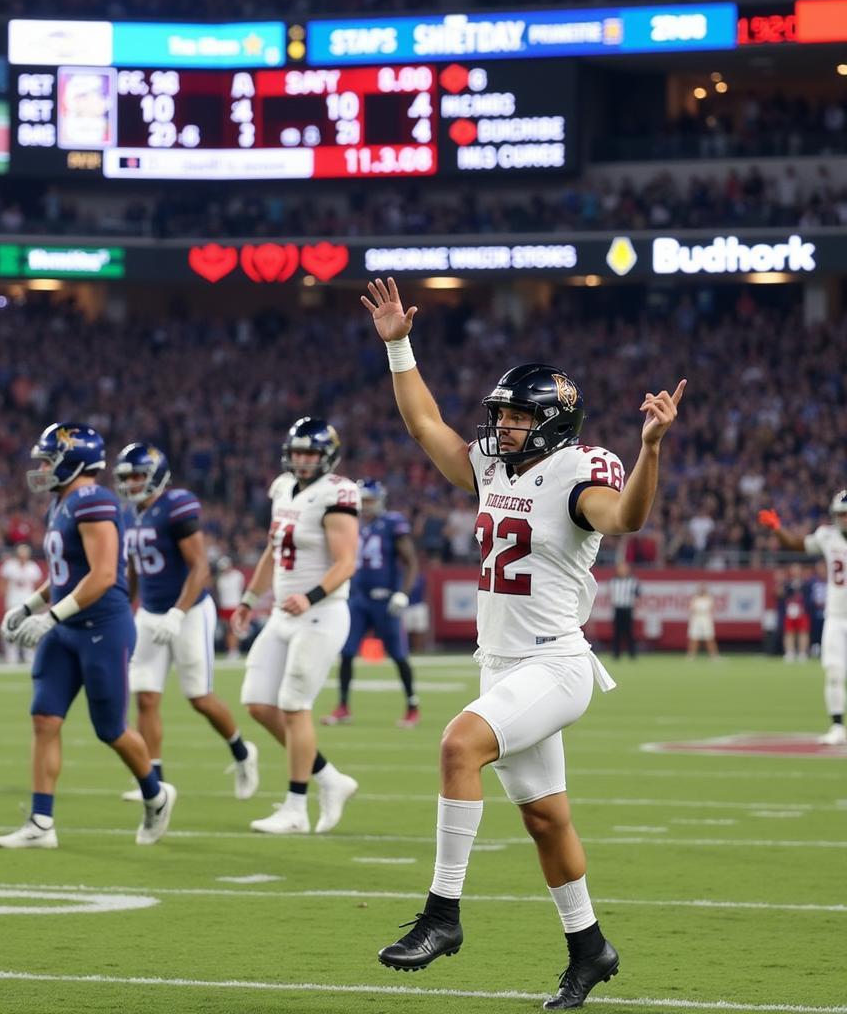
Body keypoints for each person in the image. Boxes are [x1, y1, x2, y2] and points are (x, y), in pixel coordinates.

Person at [362, 276, 686, 1009]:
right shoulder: (490, 465)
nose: (502, 427)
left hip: (555, 662)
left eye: (514, 416)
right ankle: (590, 948)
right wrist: (400, 345)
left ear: (550, 422)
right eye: (501, 415)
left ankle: (442, 916)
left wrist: (650, 451)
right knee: (545, 820)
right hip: (503, 664)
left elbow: (626, 518)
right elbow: (425, 425)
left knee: (457, 745)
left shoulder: (582, 471)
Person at [0, 423, 174, 849]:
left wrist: (50, 616)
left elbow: (105, 574)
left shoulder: (94, 500)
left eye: (47, 459)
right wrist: (27, 608)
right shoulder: (59, 504)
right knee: (44, 718)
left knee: (110, 729)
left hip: (101, 627)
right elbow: (62, 577)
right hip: (66, 625)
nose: (40, 467)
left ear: (72, 461)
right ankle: (41, 822)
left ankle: (155, 793)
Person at [231, 417, 361, 835]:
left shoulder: (337, 494)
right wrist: (251, 599)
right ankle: (329, 778)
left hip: (321, 615)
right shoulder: (282, 488)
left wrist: (311, 596)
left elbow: (346, 562)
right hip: (283, 614)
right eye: (298, 452)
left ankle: (295, 808)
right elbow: (273, 552)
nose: (303, 460)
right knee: (257, 701)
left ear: (327, 456)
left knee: (293, 705)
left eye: (311, 453)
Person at [113, 442, 258, 803]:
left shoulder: (176, 505)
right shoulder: (129, 514)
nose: (131, 483)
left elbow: (200, 567)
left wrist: (178, 613)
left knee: (199, 698)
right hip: (150, 612)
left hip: (190, 611)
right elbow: (133, 568)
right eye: (126, 476)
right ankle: (155, 781)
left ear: (157, 475)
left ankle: (242, 752)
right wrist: (123, 607)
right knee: (145, 696)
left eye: (137, 476)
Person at [324, 479, 421, 728]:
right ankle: (343, 706)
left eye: (369, 500)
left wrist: (403, 593)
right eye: (362, 500)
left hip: (384, 599)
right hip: (357, 598)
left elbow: (410, 560)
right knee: (346, 653)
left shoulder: (392, 523)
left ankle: (412, 706)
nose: (365, 505)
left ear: (380, 500)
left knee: (399, 655)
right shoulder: (351, 524)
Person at [758, 493, 847, 745]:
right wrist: (777, 529)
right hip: (837, 615)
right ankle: (838, 726)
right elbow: (798, 545)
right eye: (841, 514)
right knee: (834, 671)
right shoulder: (827, 536)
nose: (844, 519)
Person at [0, 543, 44, 664]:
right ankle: (11, 657)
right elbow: (2, 584)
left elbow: (39, 587)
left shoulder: (33, 567)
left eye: (25, 555)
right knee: (11, 628)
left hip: (28, 603)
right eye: (21, 555)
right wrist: (4, 600)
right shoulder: (9, 566)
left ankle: (29, 656)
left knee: (28, 629)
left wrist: (39, 604)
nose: (23, 558)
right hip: (13, 602)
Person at [779, 563, 811, 663]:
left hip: (802, 612)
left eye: (797, 569)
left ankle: (802, 653)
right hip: (790, 612)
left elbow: (808, 597)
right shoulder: (787, 583)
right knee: (789, 632)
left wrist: (803, 607)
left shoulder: (806, 583)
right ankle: (790, 652)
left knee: (803, 632)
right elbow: (782, 596)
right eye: (793, 569)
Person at [215, 556, 246, 659]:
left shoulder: (238, 576)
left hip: (235, 606)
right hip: (225, 607)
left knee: (234, 629)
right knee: (227, 630)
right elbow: (220, 595)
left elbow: (243, 590)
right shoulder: (221, 579)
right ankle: (231, 650)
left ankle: (234, 650)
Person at [608, 561, 639, 660]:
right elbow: (610, 595)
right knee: (617, 632)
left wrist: (635, 607)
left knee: (629, 632)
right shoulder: (613, 581)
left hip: (628, 608)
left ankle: (632, 653)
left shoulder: (633, 581)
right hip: (617, 608)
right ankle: (616, 653)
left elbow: (637, 595)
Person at [686, 584, 719, 660]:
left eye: (703, 589)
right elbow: (691, 608)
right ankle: (691, 655)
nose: (702, 590)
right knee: (694, 637)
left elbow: (712, 608)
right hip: (696, 618)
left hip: (706, 618)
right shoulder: (695, 598)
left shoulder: (709, 599)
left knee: (709, 637)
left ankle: (714, 655)